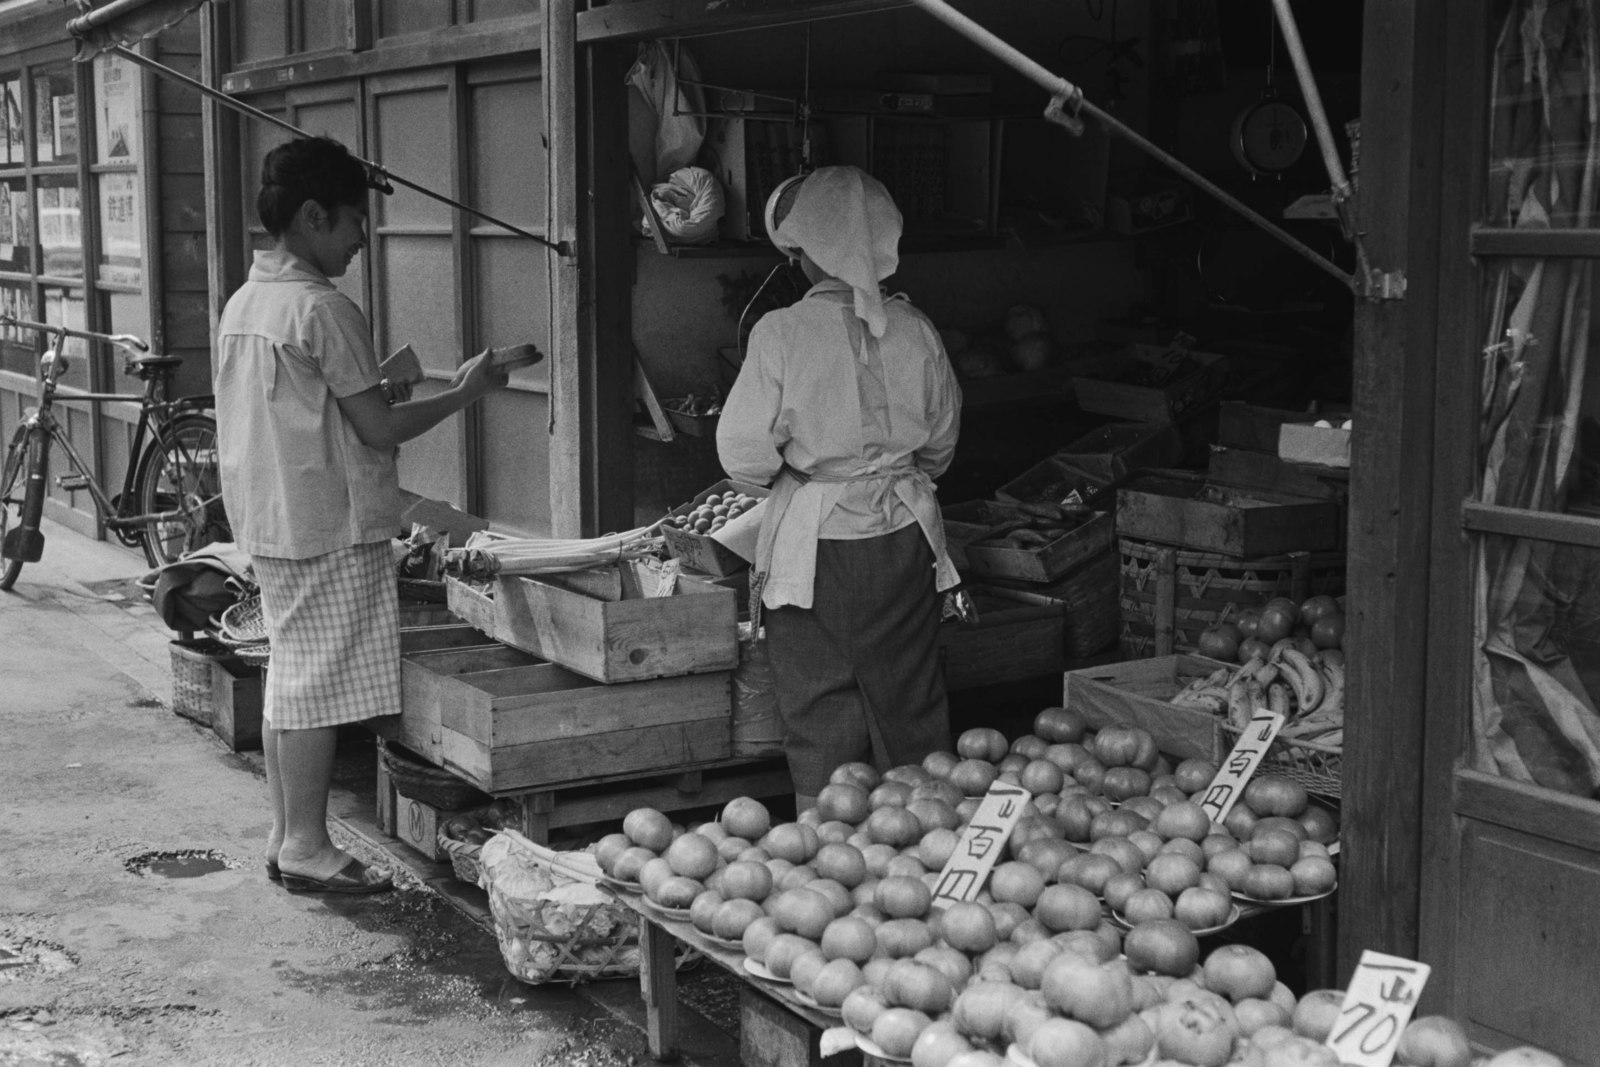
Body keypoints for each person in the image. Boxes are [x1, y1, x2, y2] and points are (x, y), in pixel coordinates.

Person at [214, 135, 510, 894]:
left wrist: (387, 388)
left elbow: (320, 412)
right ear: (312, 216)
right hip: (327, 524)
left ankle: (286, 834)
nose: (359, 241)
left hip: (273, 519)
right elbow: (376, 429)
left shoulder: (248, 302)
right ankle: (309, 843)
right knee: (311, 686)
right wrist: (469, 391)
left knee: (290, 677)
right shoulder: (322, 308)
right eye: (351, 223)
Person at [716, 165, 963, 810]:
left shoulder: (781, 333)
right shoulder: (918, 329)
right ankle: (925, 836)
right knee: (909, 692)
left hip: (816, 543)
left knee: (820, 697)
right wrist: (887, 472)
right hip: (907, 535)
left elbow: (743, 457)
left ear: (805, 251)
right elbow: (939, 447)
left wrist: (803, 476)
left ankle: (828, 853)